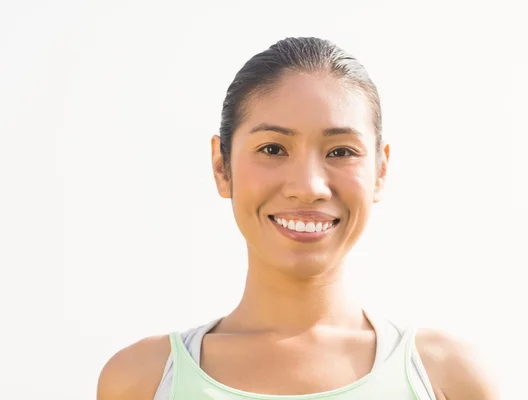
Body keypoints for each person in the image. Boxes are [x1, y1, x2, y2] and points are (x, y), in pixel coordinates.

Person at [97, 37, 498, 400]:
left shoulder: (447, 377)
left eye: (341, 151)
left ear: (380, 171)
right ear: (222, 166)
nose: (308, 187)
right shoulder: (143, 381)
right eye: (273, 149)